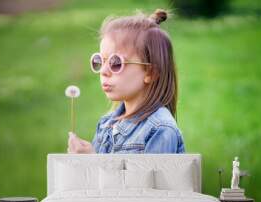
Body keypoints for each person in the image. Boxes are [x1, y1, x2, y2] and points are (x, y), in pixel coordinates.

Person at [67, 9, 185, 154]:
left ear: (150, 72)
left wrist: (93, 161)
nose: (103, 71)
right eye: (99, 61)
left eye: (115, 63)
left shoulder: (160, 130)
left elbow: (146, 178)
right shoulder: (106, 123)